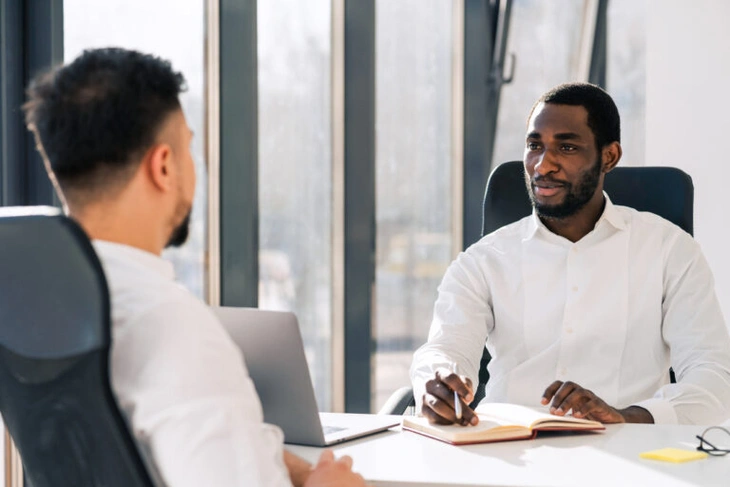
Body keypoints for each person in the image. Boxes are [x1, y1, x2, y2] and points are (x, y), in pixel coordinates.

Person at [24, 47, 367, 487]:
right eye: (187, 148)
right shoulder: (173, 331)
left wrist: (286, 466)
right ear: (163, 166)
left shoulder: (48, 305)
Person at [411, 82, 730, 427]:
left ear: (609, 157)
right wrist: (440, 384)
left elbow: (712, 376)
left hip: (628, 456)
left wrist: (626, 418)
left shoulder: (669, 250)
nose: (543, 165)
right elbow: (445, 348)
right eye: (535, 145)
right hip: (507, 455)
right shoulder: (483, 261)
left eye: (566, 147)